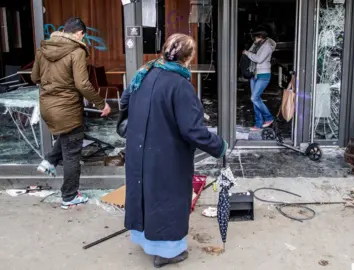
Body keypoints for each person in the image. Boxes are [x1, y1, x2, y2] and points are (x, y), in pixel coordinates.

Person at [121, 33, 227, 268]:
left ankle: (144, 239)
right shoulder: (180, 85)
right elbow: (193, 130)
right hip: (167, 156)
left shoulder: (144, 73)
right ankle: (168, 253)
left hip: (139, 150)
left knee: (146, 194)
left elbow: (125, 102)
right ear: (188, 58)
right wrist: (219, 146)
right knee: (168, 199)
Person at [31, 17, 111, 209]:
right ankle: (69, 196)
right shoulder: (76, 51)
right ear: (79, 33)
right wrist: (102, 104)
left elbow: (35, 77)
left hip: (48, 108)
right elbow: (82, 84)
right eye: (83, 36)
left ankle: (49, 161)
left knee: (69, 137)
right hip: (67, 108)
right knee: (72, 153)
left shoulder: (44, 49)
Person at [242, 25, 277, 131]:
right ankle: (258, 123)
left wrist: (247, 53)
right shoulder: (257, 44)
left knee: (254, 98)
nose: (254, 40)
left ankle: (269, 118)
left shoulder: (267, 46)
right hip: (255, 74)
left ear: (261, 36)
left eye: (256, 37)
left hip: (263, 75)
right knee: (255, 99)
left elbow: (259, 59)